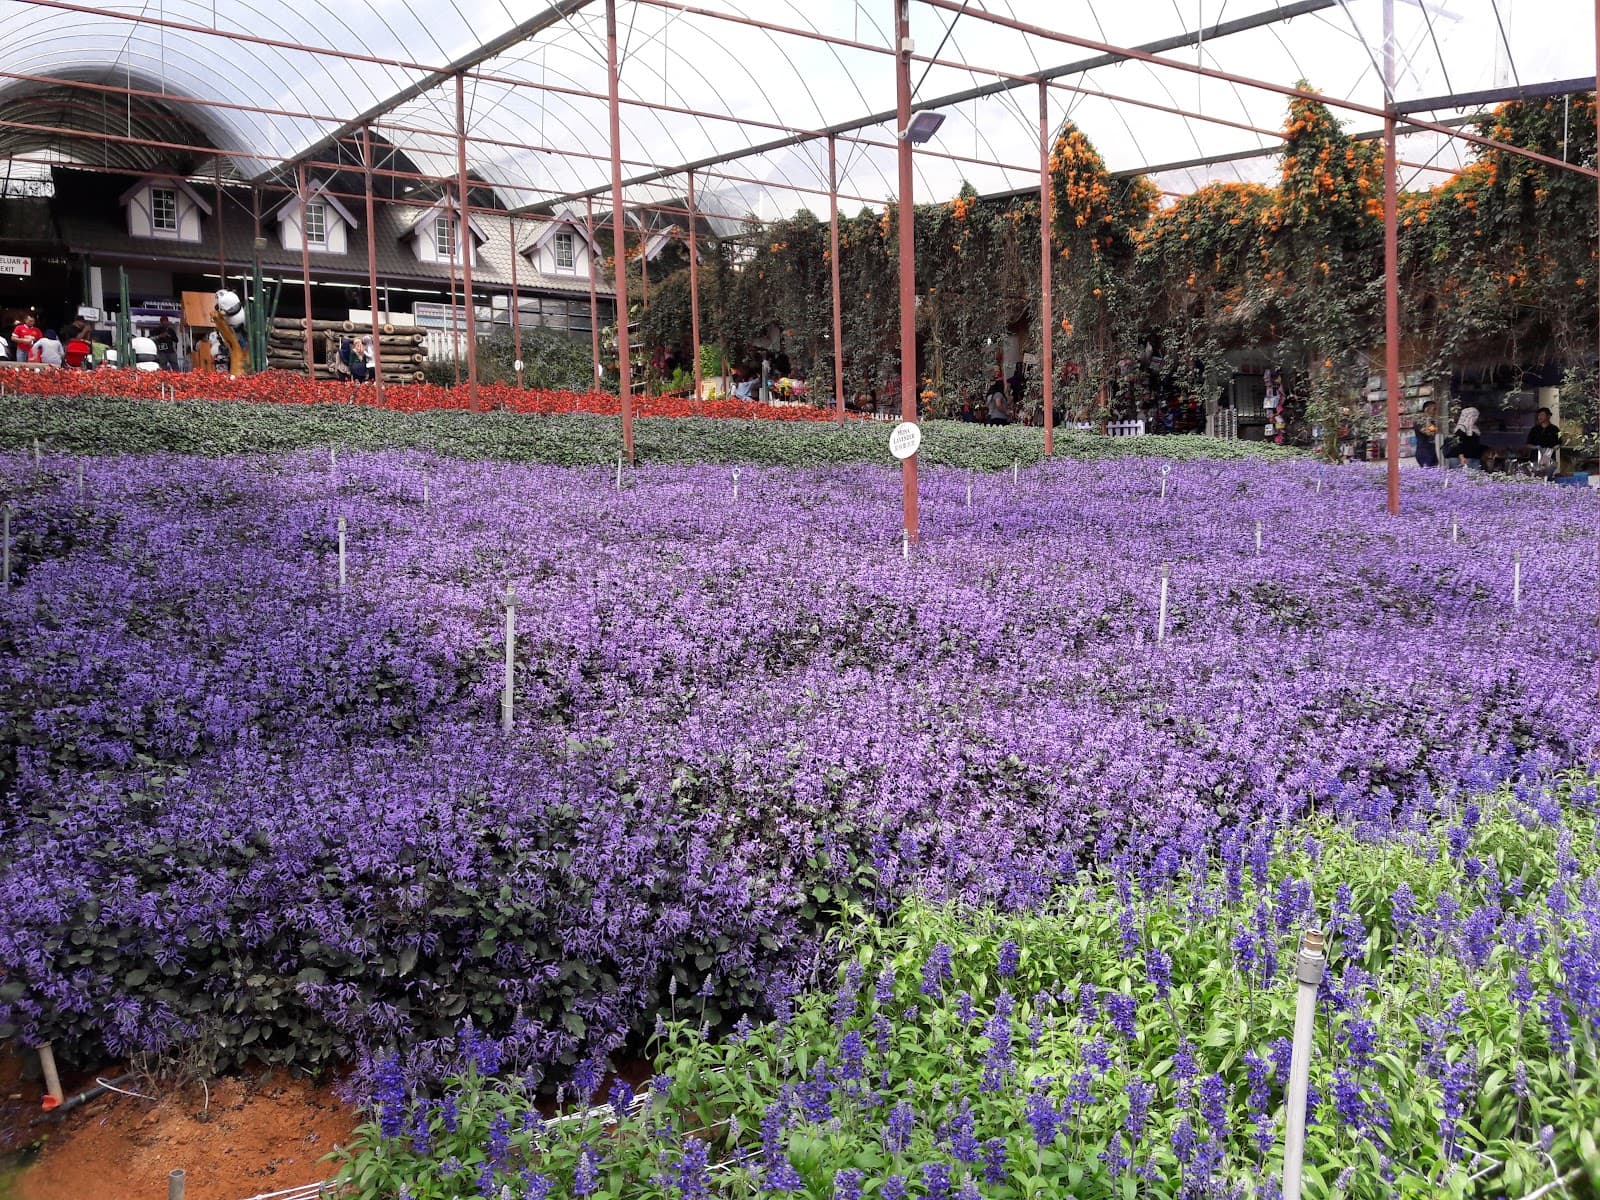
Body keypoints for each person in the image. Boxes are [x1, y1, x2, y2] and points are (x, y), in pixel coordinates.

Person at [1451, 406, 1484, 471]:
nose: (1476, 418)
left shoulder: (1475, 428)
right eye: (1474, 416)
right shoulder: (1461, 429)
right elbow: (1458, 444)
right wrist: (1462, 458)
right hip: (1463, 459)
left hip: (1474, 457)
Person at [1413, 399, 1440, 468]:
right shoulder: (1419, 420)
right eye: (1434, 409)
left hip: (1432, 451)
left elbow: (1434, 431)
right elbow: (1429, 433)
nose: (1435, 412)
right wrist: (1428, 418)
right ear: (1427, 409)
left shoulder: (1432, 421)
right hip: (1424, 452)